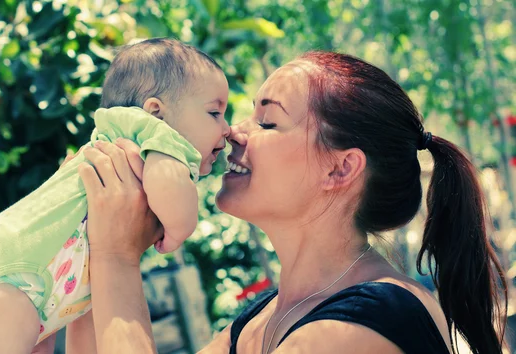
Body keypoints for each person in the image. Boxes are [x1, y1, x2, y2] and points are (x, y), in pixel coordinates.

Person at [76, 51, 507, 354]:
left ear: (340, 170)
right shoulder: (261, 320)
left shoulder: (369, 322)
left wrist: (116, 256)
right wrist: (84, 249)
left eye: (267, 120)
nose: (232, 132)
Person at [0, 38, 230, 354]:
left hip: (9, 278)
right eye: (215, 113)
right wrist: (177, 231)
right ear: (156, 111)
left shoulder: (115, 138)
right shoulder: (156, 137)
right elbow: (170, 189)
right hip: (11, 275)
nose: (226, 129)